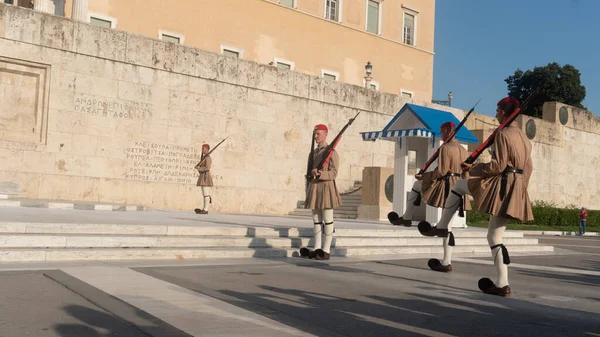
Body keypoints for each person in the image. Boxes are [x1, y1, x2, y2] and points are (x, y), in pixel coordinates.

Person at [418, 97, 534, 297]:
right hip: (517, 185)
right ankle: (502, 284)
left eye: (497, 111)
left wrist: (474, 167)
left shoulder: (503, 134)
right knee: (495, 237)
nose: (496, 115)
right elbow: (529, 167)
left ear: (504, 113)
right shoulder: (524, 138)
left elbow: (498, 166)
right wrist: (520, 189)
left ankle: (443, 226)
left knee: (460, 187)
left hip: (502, 182)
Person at [302, 124, 342, 260]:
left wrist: (320, 174)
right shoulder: (312, 153)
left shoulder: (332, 152)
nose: (315, 136)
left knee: (327, 218)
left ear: (325, 134)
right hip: (315, 187)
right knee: (316, 219)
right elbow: (308, 173)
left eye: (318, 134)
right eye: (315, 134)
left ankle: (326, 250)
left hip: (326, 187)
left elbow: (334, 173)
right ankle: (317, 248)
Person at [194, 144, 213, 214]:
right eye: (202, 148)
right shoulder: (204, 157)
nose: (202, 150)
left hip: (206, 176)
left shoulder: (207, 158)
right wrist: (198, 168)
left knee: (206, 193)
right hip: (203, 175)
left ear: (207, 149)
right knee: (204, 193)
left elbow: (207, 167)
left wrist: (199, 168)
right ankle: (204, 208)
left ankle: (206, 209)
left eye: (203, 148)